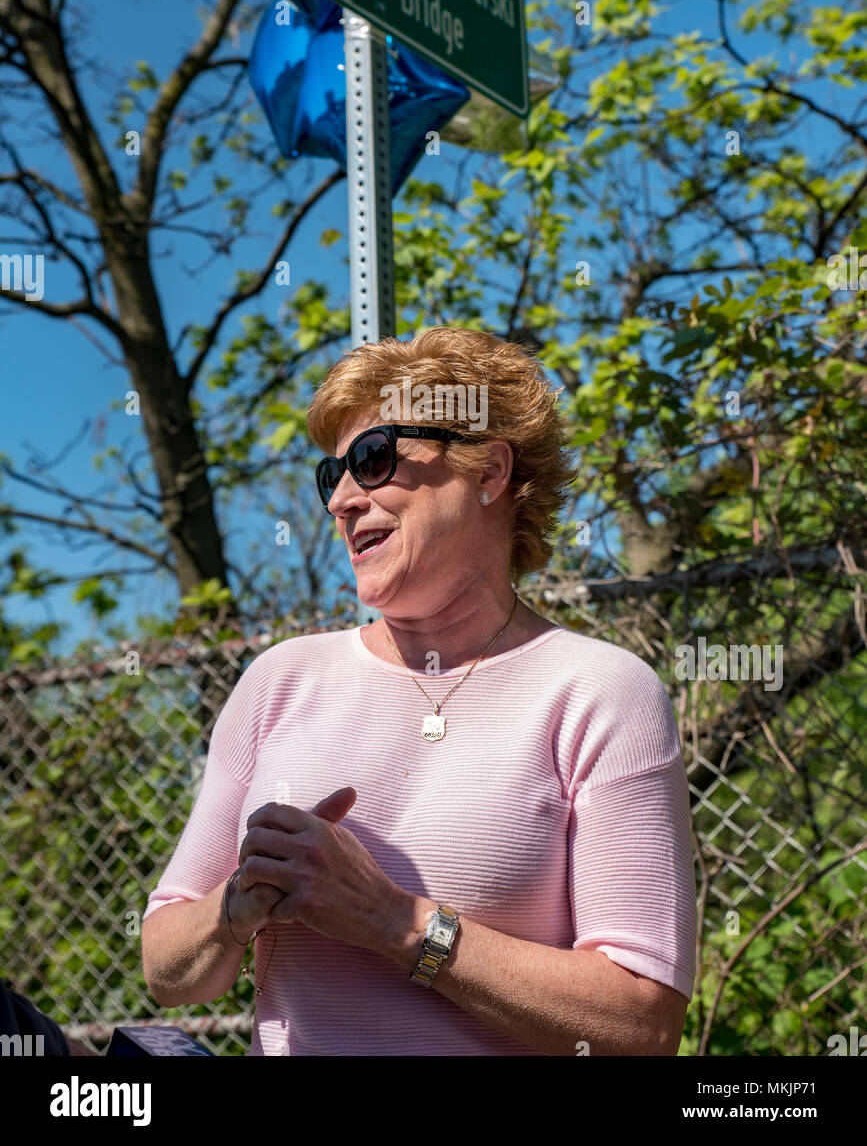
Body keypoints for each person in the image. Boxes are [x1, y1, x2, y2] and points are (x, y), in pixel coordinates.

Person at [141, 326, 696, 1056]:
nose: (340, 499)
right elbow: (169, 968)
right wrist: (234, 909)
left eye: (371, 461)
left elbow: (640, 1023)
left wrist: (390, 922)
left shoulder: (599, 692)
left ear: (490, 471)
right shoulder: (279, 681)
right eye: (329, 475)